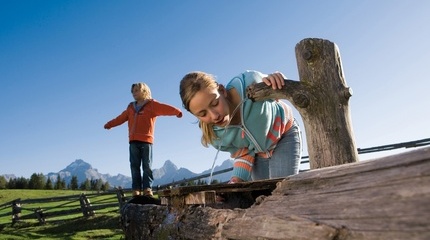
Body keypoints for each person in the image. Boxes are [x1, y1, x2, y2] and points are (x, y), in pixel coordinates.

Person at [179, 70, 302, 183]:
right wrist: (235, 180)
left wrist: (278, 78)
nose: (214, 116)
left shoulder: (249, 82)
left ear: (222, 91)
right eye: (203, 114)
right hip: (258, 153)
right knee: (263, 195)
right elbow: (244, 153)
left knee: (284, 189)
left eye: (215, 103)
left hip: (284, 135)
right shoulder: (216, 136)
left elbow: (285, 89)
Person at [105, 82, 182, 196]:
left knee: (147, 166)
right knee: (134, 166)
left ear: (144, 91)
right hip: (133, 141)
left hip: (147, 141)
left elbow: (164, 108)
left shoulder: (152, 105)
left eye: (136, 90)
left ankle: (147, 188)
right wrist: (110, 124)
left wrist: (176, 111)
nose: (134, 93)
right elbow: (120, 118)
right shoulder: (130, 107)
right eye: (132, 91)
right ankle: (136, 189)